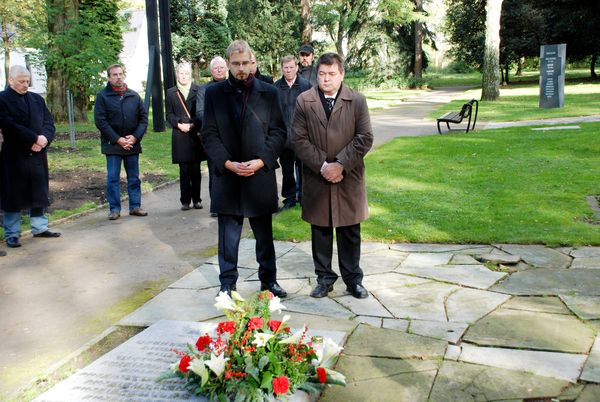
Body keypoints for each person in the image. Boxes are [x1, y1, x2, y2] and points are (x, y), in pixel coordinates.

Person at [202, 40, 287, 297]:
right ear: (228, 63)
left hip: (259, 173)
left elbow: (279, 132)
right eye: (236, 64)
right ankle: (227, 283)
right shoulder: (214, 94)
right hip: (228, 175)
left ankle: (268, 280)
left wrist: (262, 160)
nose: (241, 69)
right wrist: (227, 163)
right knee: (228, 237)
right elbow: (209, 134)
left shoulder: (269, 92)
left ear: (253, 63)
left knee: (264, 235)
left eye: (245, 63)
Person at [292, 53, 373, 299]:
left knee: (350, 231)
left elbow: (365, 137)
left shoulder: (357, 101)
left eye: (331, 74)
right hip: (317, 177)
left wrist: (340, 164)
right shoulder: (304, 101)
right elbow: (298, 139)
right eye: (321, 74)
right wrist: (324, 166)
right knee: (321, 231)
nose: (325, 79)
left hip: (348, 177)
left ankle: (353, 280)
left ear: (342, 74)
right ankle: (324, 279)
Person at [0, 65, 61, 248]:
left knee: (38, 191)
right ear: (11, 80)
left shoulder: (36, 99)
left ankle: (40, 227)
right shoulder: (2, 99)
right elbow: (8, 124)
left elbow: (49, 123)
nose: (25, 84)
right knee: (13, 194)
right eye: (21, 81)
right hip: (14, 155)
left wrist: (44, 140)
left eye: (27, 81)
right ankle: (12, 233)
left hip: (37, 154)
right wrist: (33, 138)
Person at [94, 64, 148, 221]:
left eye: (120, 74)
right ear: (109, 77)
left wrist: (135, 137)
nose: (118, 77)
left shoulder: (134, 96)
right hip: (113, 145)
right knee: (112, 178)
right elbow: (101, 121)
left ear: (124, 75)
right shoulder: (103, 96)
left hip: (132, 144)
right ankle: (114, 209)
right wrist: (118, 139)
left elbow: (143, 119)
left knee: (134, 177)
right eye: (114, 75)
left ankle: (135, 206)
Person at [166, 62, 205, 211]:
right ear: (177, 75)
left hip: (194, 134)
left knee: (196, 169)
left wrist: (193, 124)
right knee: (184, 171)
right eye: (181, 73)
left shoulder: (198, 90)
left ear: (190, 75)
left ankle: (197, 199)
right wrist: (178, 124)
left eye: (186, 73)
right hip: (180, 134)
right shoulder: (171, 92)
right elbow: (169, 114)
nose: (183, 76)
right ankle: (185, 201)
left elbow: (200, 111)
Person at [273, 55, 310, 211]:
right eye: (285, 68)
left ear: (296, 67)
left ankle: (303, 196)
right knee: (287, 169)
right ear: (282, 68)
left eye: (291, 67)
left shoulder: (306, 86)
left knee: (303, 168)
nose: (288, 70)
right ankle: (289, 198)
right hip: (283, 137)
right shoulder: (275, 88)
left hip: (302, 137)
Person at [196, 56, 228, 217]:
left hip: (231, 137)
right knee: (215, 171)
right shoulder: (204, 90)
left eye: (222, 67)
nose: (219, 70)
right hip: (213, 136)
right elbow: (200, 112)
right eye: (215, 68)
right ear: (211, 70)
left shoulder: (232, 85)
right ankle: (216, 206)